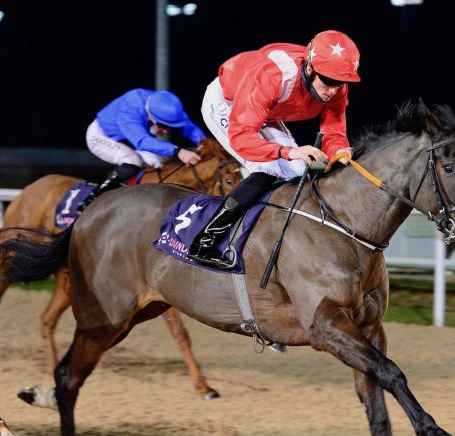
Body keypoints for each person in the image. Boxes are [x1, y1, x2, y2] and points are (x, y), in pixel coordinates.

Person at [187, 30, 361, 269]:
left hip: (266, 110)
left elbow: (333, 131)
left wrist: (340, 152)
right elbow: (243, 137)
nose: (334, 89)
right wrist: (287, 151)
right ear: (309, 68)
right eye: (329, 81)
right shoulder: (275, 74)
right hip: (228, 102)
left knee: (299, 172)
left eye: (341, 82)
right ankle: (204, 242)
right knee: (266, 167)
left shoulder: (336, 85)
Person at [81, 88, 206, 211]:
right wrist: (179, 151)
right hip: (101, 136)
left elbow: (188, 126)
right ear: (151, 117)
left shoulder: (164, 106)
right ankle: (91, 202)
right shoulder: (129, 111)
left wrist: (203, 143)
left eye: (170, 128)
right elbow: (142, 141)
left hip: (129, 139)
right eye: (164, 126)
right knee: (132, 161)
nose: (166, 131)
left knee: (157, 164)